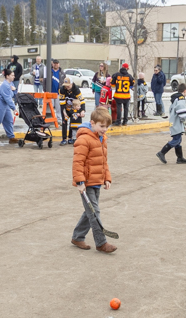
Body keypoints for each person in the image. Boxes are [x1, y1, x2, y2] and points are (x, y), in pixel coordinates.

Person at [71, 106, 115, 254]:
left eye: (106, 127)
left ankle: (77, 237)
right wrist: (80, 182)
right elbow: (78, 162)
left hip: (97, 181)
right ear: (92, 123)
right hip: (86, 183)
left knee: (90, 211)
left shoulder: (102, 139)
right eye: (101, 126)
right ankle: (101, 243)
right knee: (94, 212)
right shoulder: (84, 139)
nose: (104, 129)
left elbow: (103, 161)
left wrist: (107, 178)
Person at [155, 82, 186, 164]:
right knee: (176, 140)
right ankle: (162, 152)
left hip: (173, 121)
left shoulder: (175, 98)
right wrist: (183, 119)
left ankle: (180, 158)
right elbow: (181, 110)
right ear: (185, 91)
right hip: (177, 123)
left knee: (178, 140)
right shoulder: (181, 99)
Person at [0, 69, 18, 145]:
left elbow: (12, 94)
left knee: (9, 120)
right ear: (7, 76)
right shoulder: (5, 85)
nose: (14, 77)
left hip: (5, 104)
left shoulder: (10, 84)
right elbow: (8, 98)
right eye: (12, 75)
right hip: (0, 103)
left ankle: (11, 137)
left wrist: (14, 90)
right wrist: (14, 108)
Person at [58, 78, 83, 145]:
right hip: (65, 108)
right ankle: (64, 139)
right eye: (65, 85)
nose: (67, 87)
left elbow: (82, 101)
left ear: (71, 84)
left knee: (72, 122)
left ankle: (70, 137)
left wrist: (82, 110)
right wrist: (64, 112)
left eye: (68, 85)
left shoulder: (76, 89)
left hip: (73, 109)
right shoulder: (62, 89)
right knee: (64, 122)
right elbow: (62, 102)